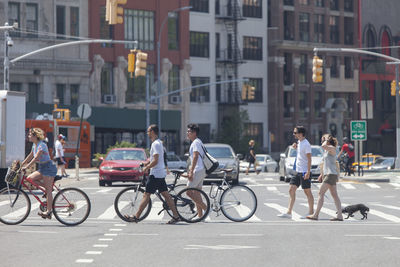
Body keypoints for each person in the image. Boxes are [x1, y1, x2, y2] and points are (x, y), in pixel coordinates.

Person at [125, 124, 180, 224]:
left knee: (146, 195)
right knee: (167, 196)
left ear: (153, 132)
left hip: (155, 174)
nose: (147, 133)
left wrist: (146, 168)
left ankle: (136, 217)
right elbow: (153, 159)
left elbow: (155, 160)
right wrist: (145, 163)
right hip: (159, 173)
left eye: (148, 131)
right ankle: (176, 216)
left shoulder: (156, 144)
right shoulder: (158, 143)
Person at [278, 126, 314, 219]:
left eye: (295, 132)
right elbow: (301, 154)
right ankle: (289, 212)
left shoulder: (306, 144)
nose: (293, 134)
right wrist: (296, 147)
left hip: (304, 171)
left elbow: (309, 159)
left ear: (300, 134)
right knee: (291, 189)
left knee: (307, 192)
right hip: (298, 171)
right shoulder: (299, 142)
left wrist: (308, 172)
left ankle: (311, 212)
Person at [21, 128, 57, 219]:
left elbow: (36, 157)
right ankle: (47, 188)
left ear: (35, 136)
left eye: (30, 135)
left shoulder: (42, 145)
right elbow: (31, 155)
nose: (28, 136)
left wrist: (27, 167)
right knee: (29, 179)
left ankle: (49, 212)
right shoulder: (34, 144)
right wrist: (21, 164)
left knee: (48, 191)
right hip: (42, 168)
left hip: (49, 168)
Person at [306, 134, 343, 221]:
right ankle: (340, 216)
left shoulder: (332, 148)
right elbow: (326, 164)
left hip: (331, 174)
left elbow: (323, 146)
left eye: (323, 139)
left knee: (320, 193)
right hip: (328, 174)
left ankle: (315, 215)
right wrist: (321, 175)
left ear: (328, 140)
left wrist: (326, 139)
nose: (321, 141)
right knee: (334, 195)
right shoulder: (327, 150)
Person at [185, 123, 209, 219]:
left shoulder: (195, 142)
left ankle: (206, 209)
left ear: (194, 133)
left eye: (189, 131)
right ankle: (200, 216)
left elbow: (195, 156)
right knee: (197, 193)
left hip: (198, 170)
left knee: (188, 192)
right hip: (201, 169)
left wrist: (191, 171)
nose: (187, 133)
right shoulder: (198, 142)